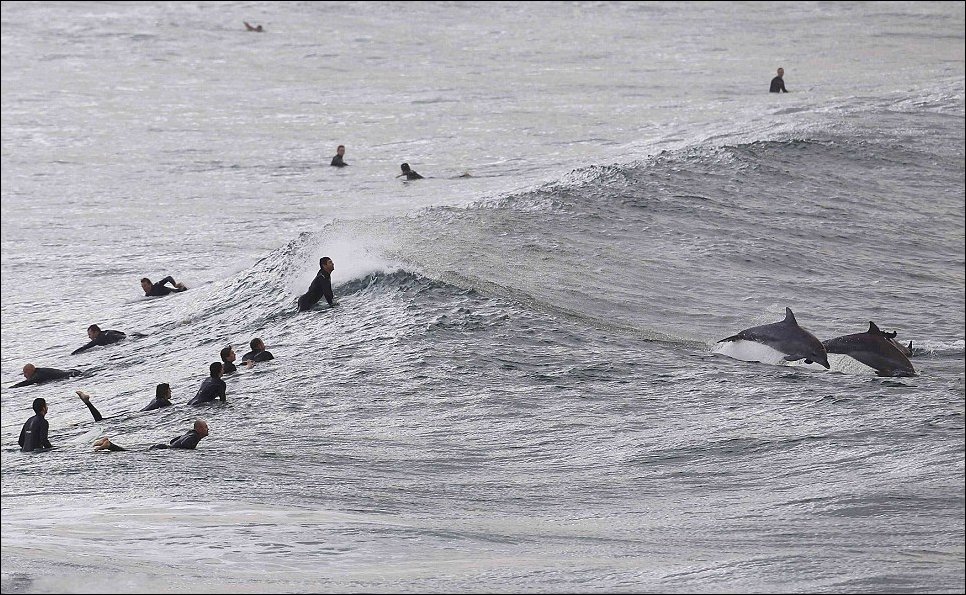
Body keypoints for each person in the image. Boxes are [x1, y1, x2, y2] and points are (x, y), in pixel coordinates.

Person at [93, 419, 209, 451]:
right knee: (130, 453)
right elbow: (183, 444)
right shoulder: (194, 436)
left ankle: (108, 444)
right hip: (162, 449)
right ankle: (109, 444)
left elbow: (173, 441)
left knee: (131, 452)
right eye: (205, 427)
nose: (207, 429)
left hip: (163, 447)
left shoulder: (190, 433)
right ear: (198, 429)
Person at [11, 364, 83, 388]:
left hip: (73, 375)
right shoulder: (39, 372)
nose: (24, 376)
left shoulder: (39, 375)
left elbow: (28, 383)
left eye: (25, 373)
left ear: (30, 371)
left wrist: (13, 387)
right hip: (72, 372)